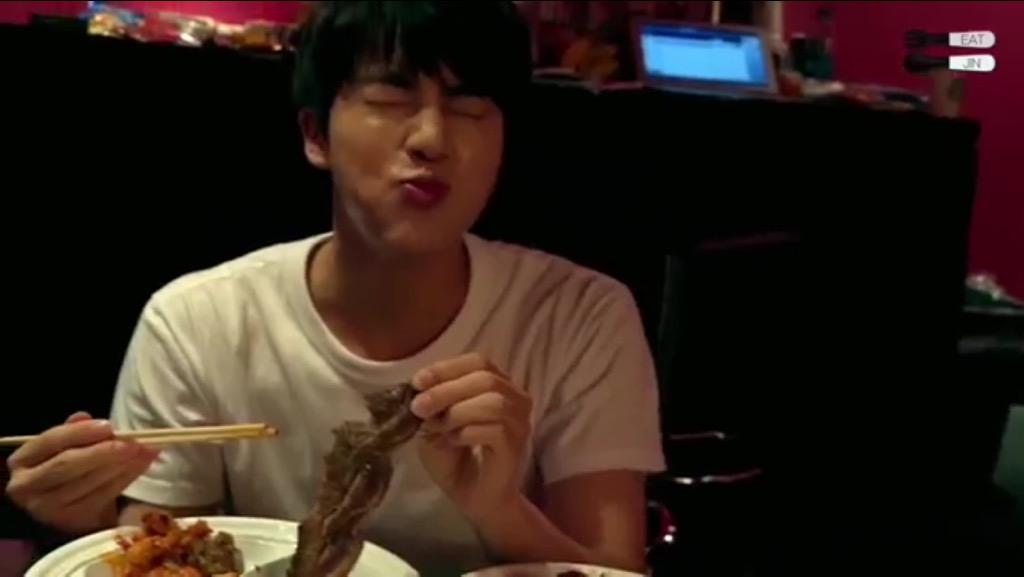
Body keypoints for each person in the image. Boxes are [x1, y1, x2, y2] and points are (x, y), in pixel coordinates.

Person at [5, 1, 664, 572]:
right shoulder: (197, 321)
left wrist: (498, 507)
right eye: (390, 100)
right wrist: (85, 519)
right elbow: (164, 552)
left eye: (469, 105)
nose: (432, 139)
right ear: (316, 134)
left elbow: (612, 570)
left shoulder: (581, 315)